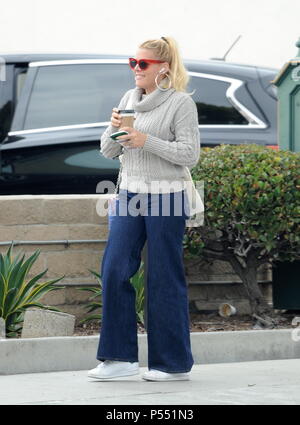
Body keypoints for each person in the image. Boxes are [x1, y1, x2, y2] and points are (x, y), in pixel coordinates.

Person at [88, 36, 200, 382]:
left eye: (143, 64)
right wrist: (114, 127)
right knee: (114, 269)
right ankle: (119, 359)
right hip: (128, 194)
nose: (136, 69)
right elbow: (109, 151)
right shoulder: (128, 99)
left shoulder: (180, 104)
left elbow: (189, 155)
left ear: (163, 68)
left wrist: (144, 140)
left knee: (163, 275)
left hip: (168, 195)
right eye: (132, 63)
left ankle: (172, 364)